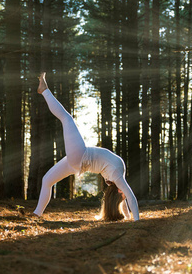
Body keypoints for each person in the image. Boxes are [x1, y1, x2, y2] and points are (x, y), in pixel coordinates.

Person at [33, 72, 139, 221]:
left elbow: (130, 197)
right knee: (47, 180)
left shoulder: (117, 175)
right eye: (123, 193)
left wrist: (137, 221)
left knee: (67, 119)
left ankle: (44, 90)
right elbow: (127, 200)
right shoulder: (118, 177)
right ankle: (36, 214)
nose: (124, 193)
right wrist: (129, 218)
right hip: (78, 162)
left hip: (81, 156)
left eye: (122, 194)